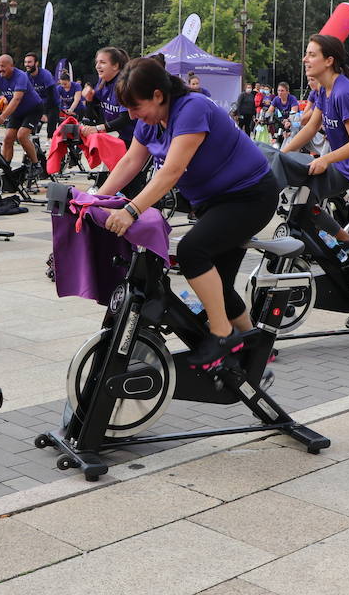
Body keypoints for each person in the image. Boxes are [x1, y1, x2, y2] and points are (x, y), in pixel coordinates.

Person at [98, 56, 276, 370]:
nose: (131, 115)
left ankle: (221, 335)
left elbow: (171, 172)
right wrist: (95, 200)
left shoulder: (192, 108)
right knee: (215, 285)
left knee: (193, 252)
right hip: (214, 201)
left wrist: (131, 210)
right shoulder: (149, 121)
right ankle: (254, 344)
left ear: (158, 95)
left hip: (250, 196)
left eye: (136, 107)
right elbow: (129, 162)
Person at [281, 35, 349, 329]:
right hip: (345, 164)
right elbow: (312, 127)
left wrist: (326, 159)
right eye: (306, 54)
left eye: (311, 54)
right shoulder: (323, 91)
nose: (305, 59)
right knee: (307, 192)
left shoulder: (343, 92)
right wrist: (282, 154)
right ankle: (341, 240)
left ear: (329, 60)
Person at [0, 54, 43, 172]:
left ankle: (36, 164)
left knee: (21, 135)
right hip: (17, 111)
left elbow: (16, 99)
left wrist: (3, 116)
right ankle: (6, 168)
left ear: (11, 66)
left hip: (33, 109)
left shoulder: (21, 76)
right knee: (8, 138)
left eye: (3, 66)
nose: (0, 69)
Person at [25, 52, 59, 140]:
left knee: (51, 126)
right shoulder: (25, 76)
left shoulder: (45, 75)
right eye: (26, 62)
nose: (27, 65)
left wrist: (44, 113)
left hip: (52, 104)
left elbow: (50, 96)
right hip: (37, 104)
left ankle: (51, 140)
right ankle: (37, 149)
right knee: (30, 127)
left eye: (29, 62)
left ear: (36, 63)